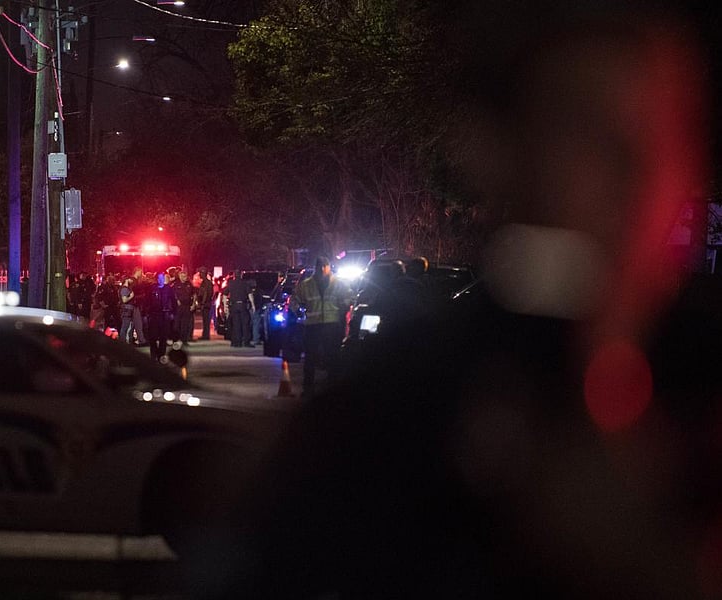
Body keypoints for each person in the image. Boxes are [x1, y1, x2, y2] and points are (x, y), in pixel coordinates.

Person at [188, 8, 716, 600]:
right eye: (586, 135)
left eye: (665, 135)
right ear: (498, 154)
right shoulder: (395, 411)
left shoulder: (699, 378)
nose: (634, 174)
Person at [290, 256, 353, 397]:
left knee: (332, 357)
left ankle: (330, 387)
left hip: (330, 325)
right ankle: (309, 388)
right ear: (317, 268)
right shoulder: (307, 285)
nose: (323, 269)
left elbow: (349, 298)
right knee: (312, 358)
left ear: (328, 267)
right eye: (321, 266)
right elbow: (295, 300)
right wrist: (298, 313)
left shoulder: (338, 283)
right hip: (315, 325)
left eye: (324, 266)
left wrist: (344, 309)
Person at [144, 272, 176, 361]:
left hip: (165, 315)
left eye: (163, 278)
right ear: (157, 279)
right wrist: (146, 314)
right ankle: (153, 355)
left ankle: (161, 355)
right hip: (154, 315)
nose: (161, 280)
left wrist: (173, 313)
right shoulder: (151, 288)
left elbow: (173, 301)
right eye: (159, 278)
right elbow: (147, 301)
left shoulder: (168, 289)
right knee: (153, 337)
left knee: (163, 337)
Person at [225, 270, 252, 347]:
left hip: (234, 306)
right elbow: (250, 295)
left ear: (234, 275)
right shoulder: (245, 283)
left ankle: (237, 342)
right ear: (241, 275)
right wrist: (253, 305)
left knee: (236, 324)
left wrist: (225, 306)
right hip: (243, 305)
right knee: (245, 324)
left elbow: (224, 294)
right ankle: (246, 342)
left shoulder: (230, 284)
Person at [172, 269, 195, 344]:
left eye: (185, 276)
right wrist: (176, 300)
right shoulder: (176, 284)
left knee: (185, 324)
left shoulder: (189, 284)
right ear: (179, 276)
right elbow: (173, 295)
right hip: (179, 307)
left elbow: (194, 294)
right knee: (177, 324)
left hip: (187, 306)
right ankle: (175, 340)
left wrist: (193, 304)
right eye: (182, 276)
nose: (183, 278)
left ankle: (184, 340)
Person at [196, 267, 215, 340]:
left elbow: (207, 293)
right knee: (205, 320)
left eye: (200, 273)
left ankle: (206, 335)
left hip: (206, 303)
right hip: (206, 303)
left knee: (206, 320)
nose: (199, 274)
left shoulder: (206, 283)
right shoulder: (206, 282)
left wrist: (203, 303)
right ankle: (205, 335)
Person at [119, 276, 136, 343]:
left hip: (127, 309)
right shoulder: (124, 289)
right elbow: (124, 300)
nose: (131, 281)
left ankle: (124, 341)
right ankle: (122, 343)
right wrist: (131, 296)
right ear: (126, 279)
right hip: (126, 309)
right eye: (130, 279)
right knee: (125, 327)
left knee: (126, 327)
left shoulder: (125, 288)